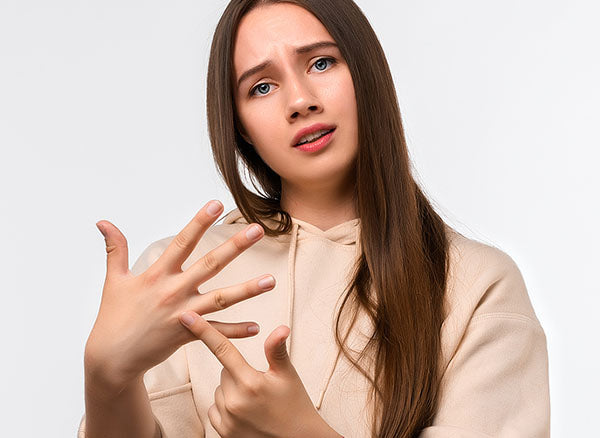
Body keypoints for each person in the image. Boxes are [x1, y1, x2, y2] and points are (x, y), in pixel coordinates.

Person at [78, 0, 551, 437]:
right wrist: (106, 382)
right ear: (239, 123)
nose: (300, 100)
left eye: (321, 62)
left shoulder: (479, 286)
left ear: (367, 72)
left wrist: (305, 433)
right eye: (262, 86)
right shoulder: (179, 279)